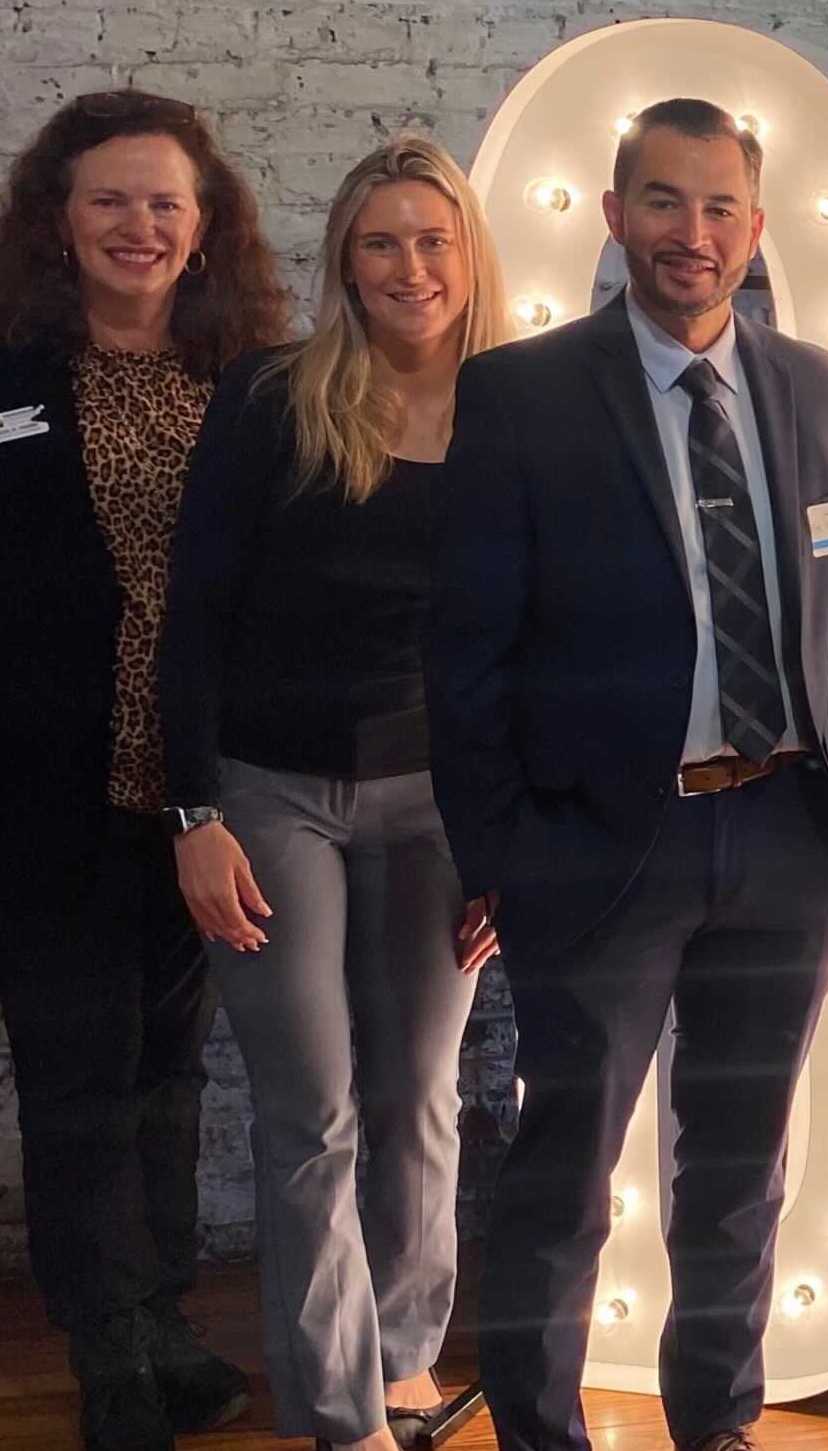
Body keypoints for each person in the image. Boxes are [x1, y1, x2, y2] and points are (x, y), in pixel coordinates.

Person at [424, 97, 828, 1451]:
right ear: (617, 213)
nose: (693, 234)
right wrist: (504, 853)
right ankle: (536, 1429)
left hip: (788, 835)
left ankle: (719, 1424)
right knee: (566, 1166)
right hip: (603, 847)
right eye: (665, 202)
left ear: (757, 228)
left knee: (741, 1168)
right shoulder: (524, 394)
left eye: (719, 208)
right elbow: (468, 656)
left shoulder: (817, 385)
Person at [156, 136, 509, 1451]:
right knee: (314, 1110)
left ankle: (407, 1363)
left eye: (433, 238)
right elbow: (193, 618)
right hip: (269, 796)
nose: (409, 266)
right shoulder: (274, 396)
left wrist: (510, 842)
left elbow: (534, 643)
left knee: (422, 1095)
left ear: (469, 253)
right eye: (380, 241)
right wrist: (195, 813)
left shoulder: (521, 412)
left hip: (439, 801)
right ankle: (343, 1415)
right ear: (342, 259)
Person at [0, 91, 287, 1451]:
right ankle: (109, 1345)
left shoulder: (256, 384)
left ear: (205, 224)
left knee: (171, 1074)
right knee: (73, 1080)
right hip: (37, 801)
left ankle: (164, 1324)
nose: (139, 223)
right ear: (61, 219)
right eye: (110, 198)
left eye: (164, 200)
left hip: (199, 800)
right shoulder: (4, 379)